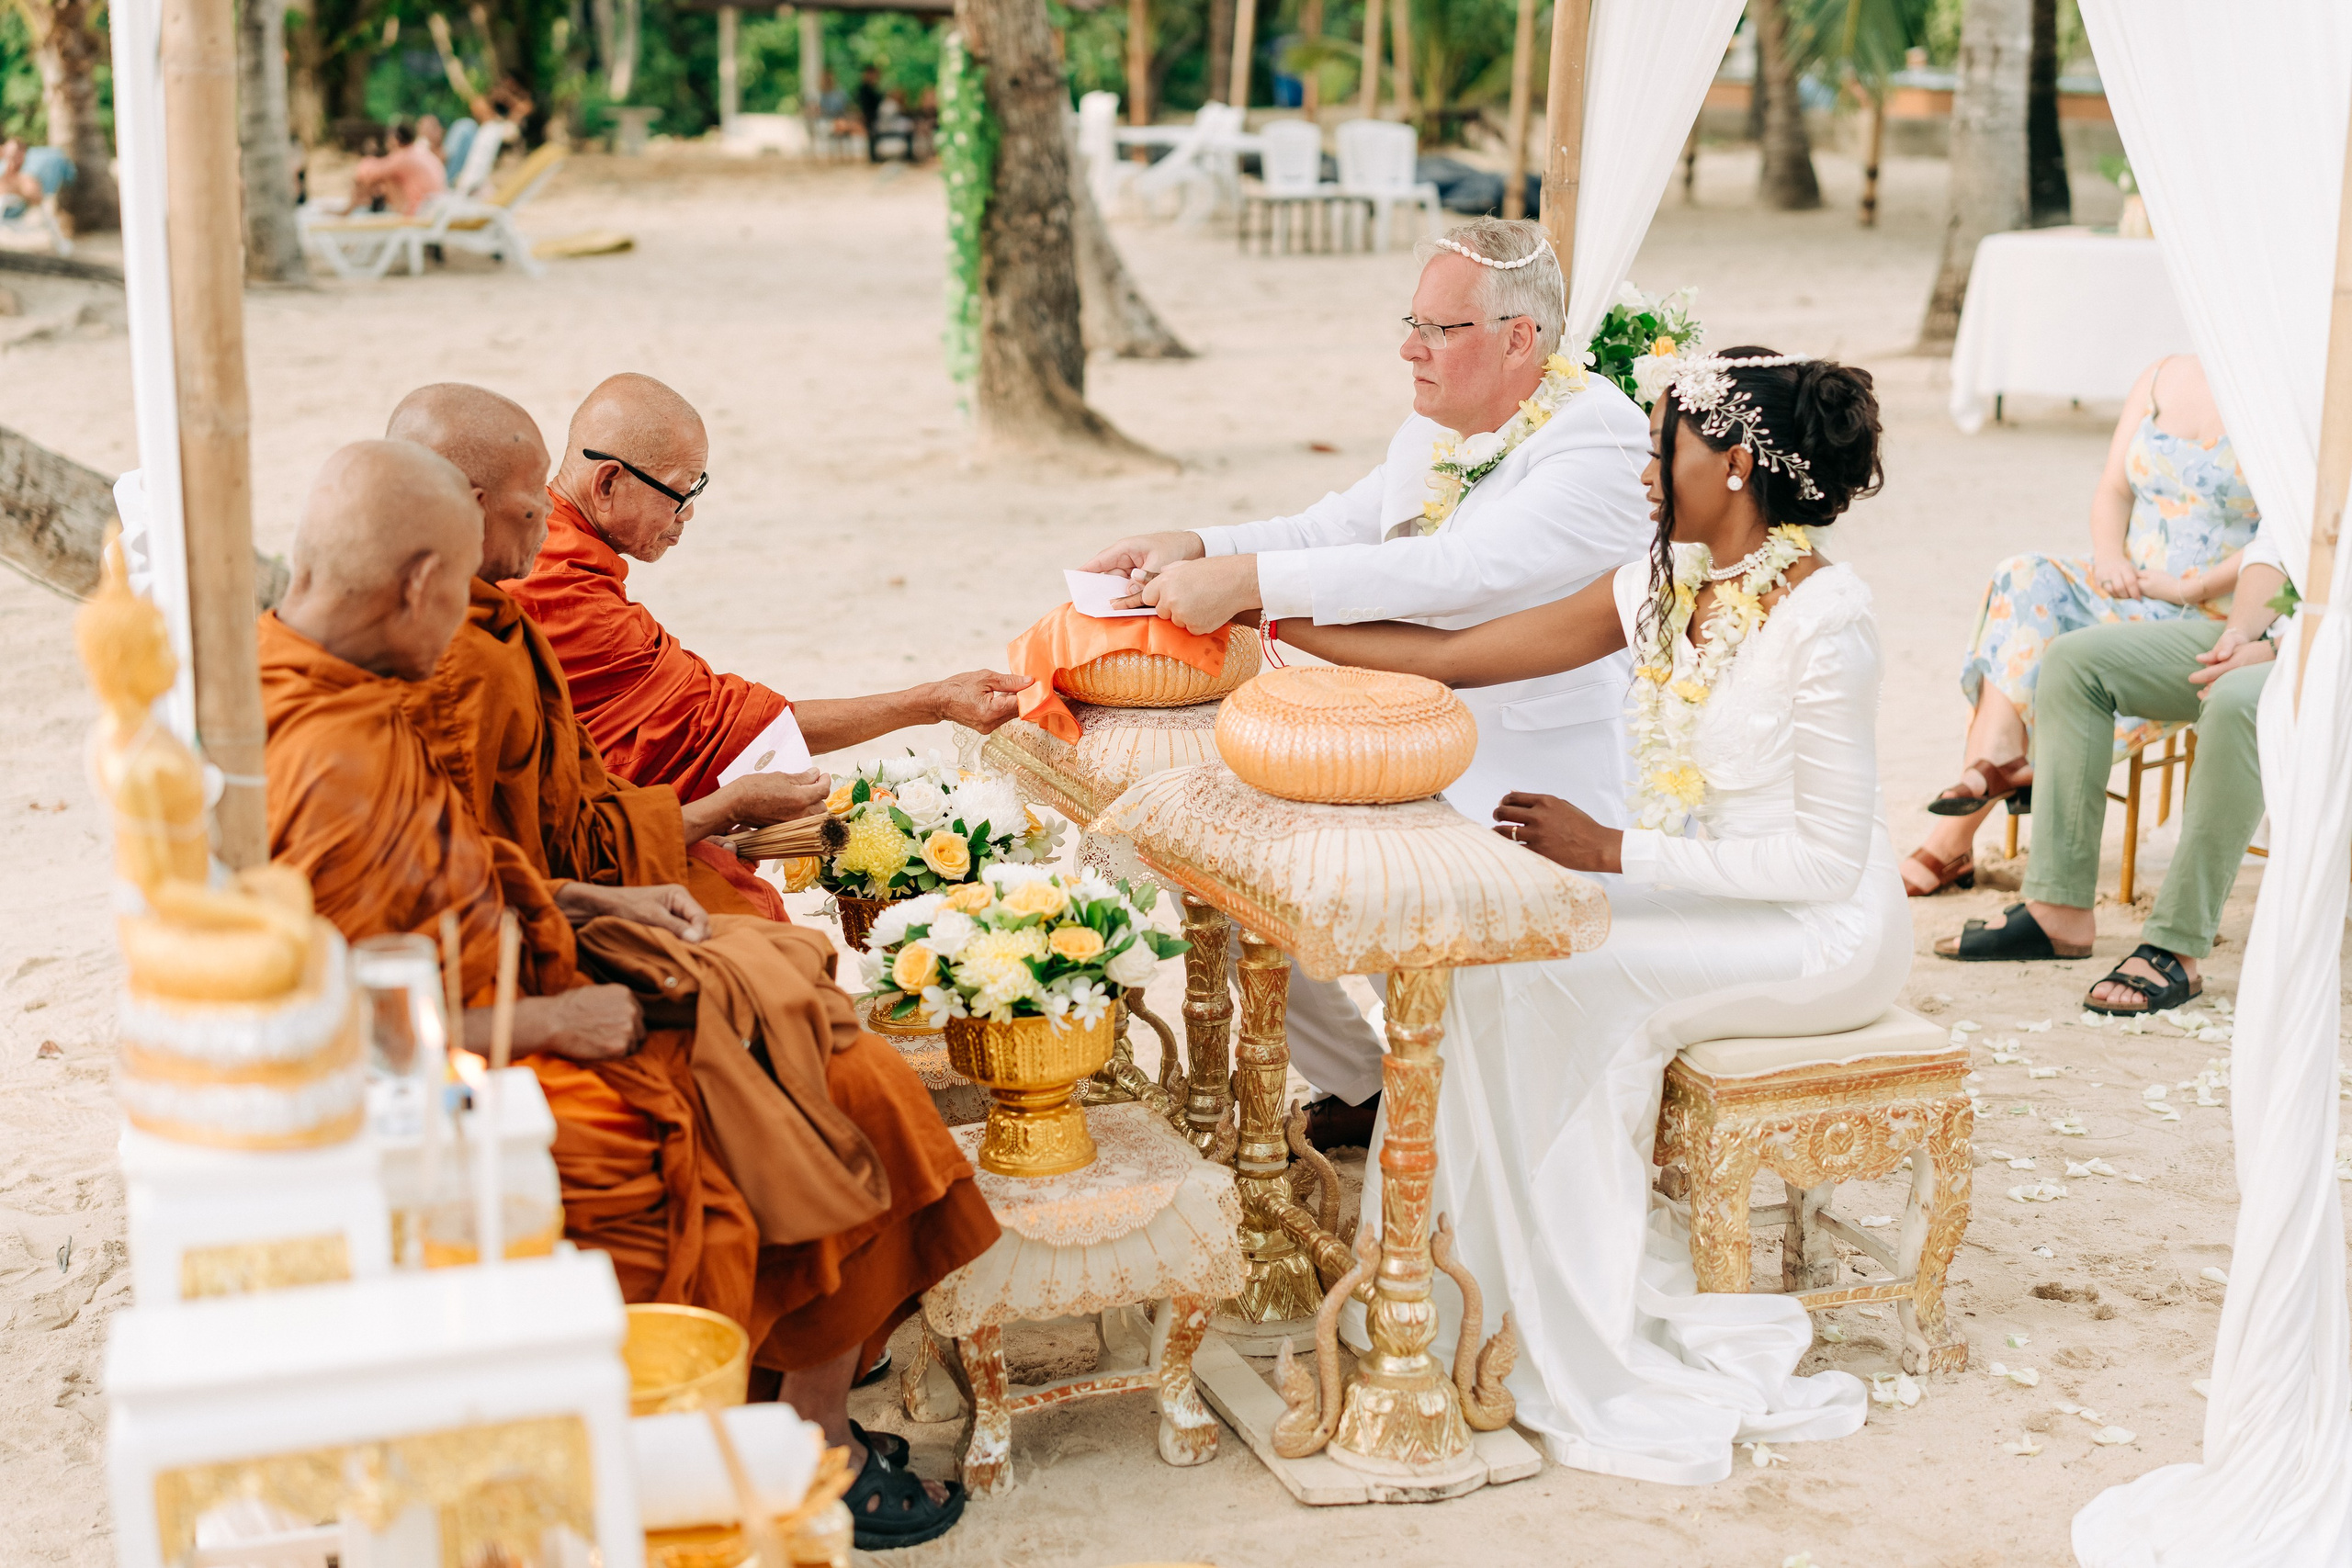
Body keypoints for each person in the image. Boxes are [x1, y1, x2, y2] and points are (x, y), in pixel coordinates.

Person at [261, 440, 993, 1550]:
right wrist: (553, 1015)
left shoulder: (341, 680)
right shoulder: (336, 754)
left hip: (541, 952)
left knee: (791, 996)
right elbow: (327, 1020)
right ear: (421, 583)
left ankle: (792, 1413)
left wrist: (595, 905)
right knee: (844, 1091)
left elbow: (491, 861)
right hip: (477, 1059)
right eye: (458, 586)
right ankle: (804, 1448)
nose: (474, 607)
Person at [1268, 350, 1904, 1482]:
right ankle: (1451, 1295)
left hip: (1819, 934)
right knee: (1489, 959)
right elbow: (1455, 658)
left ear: (1738, 465)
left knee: (1542, 973)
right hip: (1698, 889)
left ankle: (1554, 1323)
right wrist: (1271, 614)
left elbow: (1823, 859)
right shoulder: (1660, 582)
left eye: (1663, 443)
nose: (1642, 467)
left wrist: (1613, 851)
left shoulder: (1827, 619)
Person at [1080, 216, 1652, 1145]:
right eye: (1410, 322)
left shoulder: (1597, 445)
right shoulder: (1435, 431)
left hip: (1526, 786)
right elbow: (1333, 526)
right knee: (1218, 861)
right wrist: (1199, 544)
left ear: (1519, 339)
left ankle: (1429, 1105)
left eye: (1438, 330)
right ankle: (1359, 1079)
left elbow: (1457, 577)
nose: (1407, 348)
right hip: (1397, 752)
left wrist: (1251, 590)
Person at [383, 382, 825, 920]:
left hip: (542, 884)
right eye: (532, 502)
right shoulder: (476, 649)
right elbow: (515, 859)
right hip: (472, 932)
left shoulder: (491, 625)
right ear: (474, 511)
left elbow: (565, 815)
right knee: (761, 944)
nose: (548, 514)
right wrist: (726, 807)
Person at [505, 373, 1032, 806]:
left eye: (698, 489)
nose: (688, 513)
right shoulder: (564, 591)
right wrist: (931, 703)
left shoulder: (539, 545)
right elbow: (730, 728)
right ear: (607, 483)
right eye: (679, 493)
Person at [1905, 355, 2261, 896]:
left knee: (2049, 655)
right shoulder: (2162, 375)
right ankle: (2001, 755)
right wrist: (2107, 557)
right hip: (2129, 587)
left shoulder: (2288, 391)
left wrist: (2193, 587)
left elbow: (2292, 535)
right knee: (2022, 575)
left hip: (2221, 616)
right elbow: (2114, 490)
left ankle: (1955, 832)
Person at [1930, 532, 2287, 1012]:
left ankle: (2176, 943)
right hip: (2273, 629)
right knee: (2075, 662)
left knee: (2236, 699)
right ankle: (2057, 909)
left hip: (2329, 650)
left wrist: (2284, 648)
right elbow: (2280, 542)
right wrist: (2237, 636)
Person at [345, 120, 447, 216]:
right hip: (435, 203)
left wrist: (367, 159)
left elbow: (366, 172)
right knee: (385, 178)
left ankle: (349, 212)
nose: (386, 143)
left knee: (386, 177)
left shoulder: (403, 157)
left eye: (388, 139)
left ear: (395, 140)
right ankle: (355, 210)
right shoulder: (418, 152)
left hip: (422, 209)